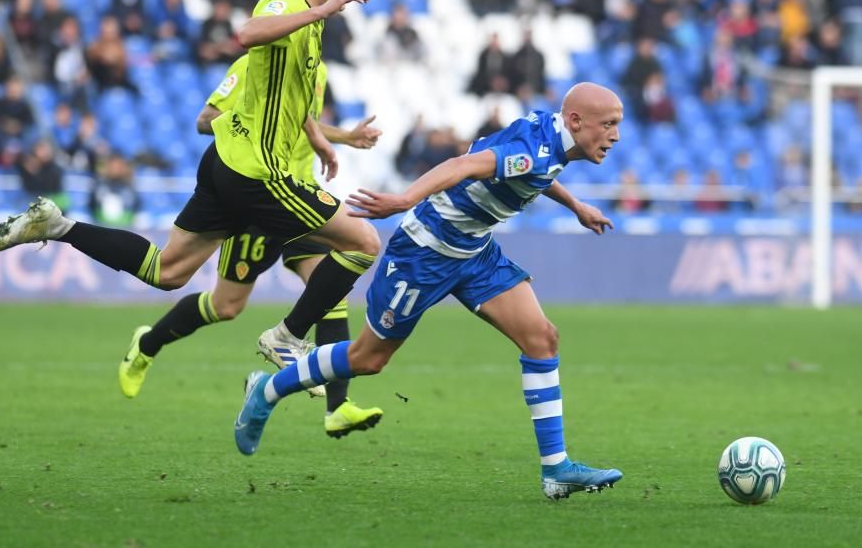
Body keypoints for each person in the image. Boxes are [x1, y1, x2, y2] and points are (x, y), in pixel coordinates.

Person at [0, 0, 381, 378]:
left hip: (227, 163)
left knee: (168, 271)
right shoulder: (289, 4)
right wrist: (323, 10)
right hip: (259, 173)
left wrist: (320, 136)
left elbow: (284, 91)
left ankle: (59, 226)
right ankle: (287, 337)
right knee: (364, 243)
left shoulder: (313, 21)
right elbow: (248, 33)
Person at [234, 82, 624, 500]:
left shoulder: (551, 141)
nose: (615, 136)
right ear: (576, 121)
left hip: (475, 252)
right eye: (609, 124)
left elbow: (532, 173)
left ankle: (556, 469)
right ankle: (267, 389)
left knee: (542, 338)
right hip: (426, 252)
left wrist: (576, 206)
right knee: (368, 359)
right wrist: (404, 199)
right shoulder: (536, 148)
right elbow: (462, 166)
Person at [121, 50, 384, 438]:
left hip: (298, 193)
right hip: (259, 198)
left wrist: (344, 136)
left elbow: (299, 120)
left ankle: (337, 406)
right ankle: (148, 342)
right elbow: (204, 121)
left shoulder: (316, 69)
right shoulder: (252, 65)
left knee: (333, 287)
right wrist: (249, 129)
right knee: (225, 305)